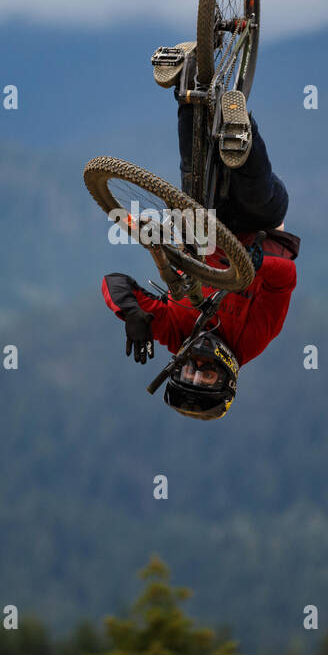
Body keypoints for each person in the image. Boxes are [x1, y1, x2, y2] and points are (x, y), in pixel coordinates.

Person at [100, 42, 300, 420]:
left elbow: (113, 282)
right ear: (228, 376)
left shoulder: (175, 335)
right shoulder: (253, 339)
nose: (198, 365)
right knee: (256, 191)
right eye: (206, 375)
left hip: (202, 231)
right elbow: (285, 279)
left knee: (192, 176)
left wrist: (132, 315)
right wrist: (251, 262)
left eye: (189, 372)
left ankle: (187, 80)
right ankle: (241, 128)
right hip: (259, 228)